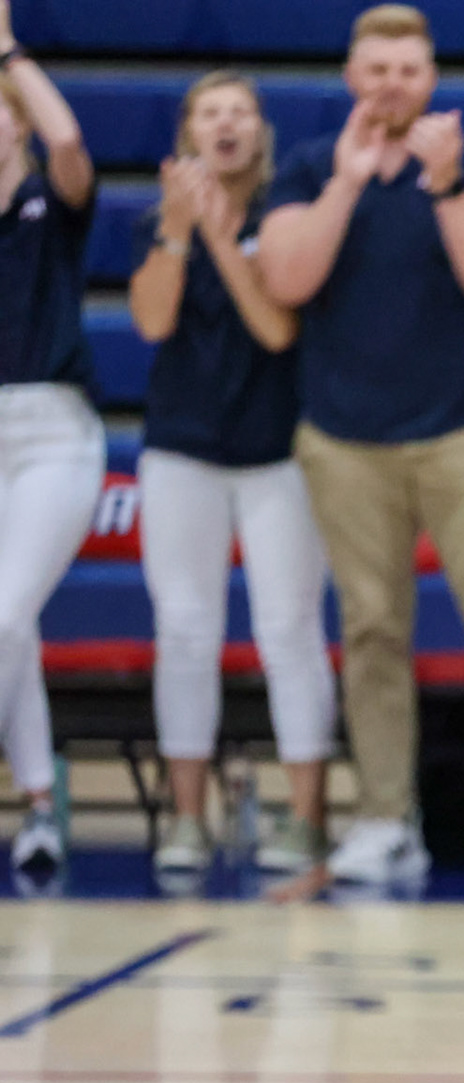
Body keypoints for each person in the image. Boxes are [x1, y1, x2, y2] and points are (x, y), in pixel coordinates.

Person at [257, 4, 464, 885]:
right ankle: (385, 820)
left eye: (408, 68)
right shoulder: (312, 166)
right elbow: (284, 277)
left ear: (429, 77)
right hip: (343, 440)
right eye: (377, 68)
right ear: (352, 76)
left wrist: (444, 189)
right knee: (371, 631)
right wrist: (349, 184)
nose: (392, 82)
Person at [128, 71, 335, 876]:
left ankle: (309, 819)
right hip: (180, 448)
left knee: (288, 632)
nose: (225, 124)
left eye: (239, 111)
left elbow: (276, 329)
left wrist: (219, 233)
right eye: (209, 113)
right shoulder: (159, 224)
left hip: (277, 450)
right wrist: (181, 230)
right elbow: (150, 319)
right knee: (183, 631)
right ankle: (187, 818)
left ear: (259, 132)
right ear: (187, 135)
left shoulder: (287, 215)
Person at [0, 13, 104, 873]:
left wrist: (5, 48)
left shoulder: (49, 201)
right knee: (13, 623)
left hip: (51, 434)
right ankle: (40, 801)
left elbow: (67, 135)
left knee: (0, 614)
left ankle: (35, 794)